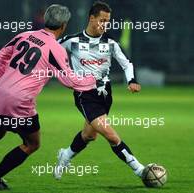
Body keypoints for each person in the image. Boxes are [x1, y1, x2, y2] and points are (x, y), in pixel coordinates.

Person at [0, 4, 96, 190]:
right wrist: (92, 80)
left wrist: (5, 83)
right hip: (20, 101)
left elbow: (0, 57)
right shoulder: (54, 48)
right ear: (64, 25)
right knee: (32, 143)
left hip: (0, 94)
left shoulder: (25, 35)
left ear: (45, 20)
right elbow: (68, 79)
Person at [54, 1, 145, 180]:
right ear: (91, 18)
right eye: (102, 20)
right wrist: (59, 74)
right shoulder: (72, 41)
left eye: (107, 21)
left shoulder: (111, 43)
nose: (105, 24)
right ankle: (139, 169)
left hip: (104, 94)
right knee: (110, 134)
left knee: (89, 135)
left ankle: (65, 155)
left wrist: (132, 80)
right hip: (84, 94)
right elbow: (49, 53)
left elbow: (127, 64)